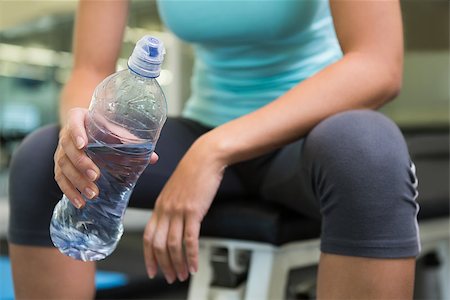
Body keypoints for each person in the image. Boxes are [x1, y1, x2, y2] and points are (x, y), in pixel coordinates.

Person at [8, 0, 420, 299]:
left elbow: (377, 63)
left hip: (308, 134)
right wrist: (78, 131)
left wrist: (214, 150)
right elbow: (90, 69)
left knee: (368, 152)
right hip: (203, 125)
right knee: (44, 157)